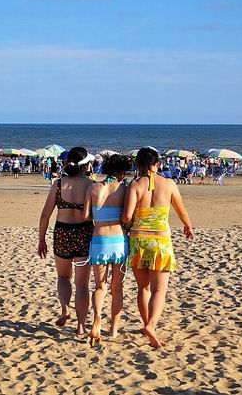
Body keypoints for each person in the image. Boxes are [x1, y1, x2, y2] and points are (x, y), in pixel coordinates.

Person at [122, 147, 194, 349]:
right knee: (159, 289)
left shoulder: (135, 185)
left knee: (143, 288)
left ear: (138, 164)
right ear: (157, 164)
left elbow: (127, 216)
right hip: (161, 241)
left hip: (139, 241)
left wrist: (125, 223)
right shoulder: (169, 184)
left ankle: (146, 323)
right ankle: (151, 325)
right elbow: (181, 209)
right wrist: (188, 226)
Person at [38, 147, 95, 338]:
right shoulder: (91, 185)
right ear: (85, 165)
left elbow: (45, 215)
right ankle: (81, 326)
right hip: (84, 233)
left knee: (63, 277)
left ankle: (65, 309)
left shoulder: (59, 184)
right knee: (82, 285)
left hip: (62, 232)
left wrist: (41, 239)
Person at [84, 154, 131, 345]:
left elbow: (86, 216)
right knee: (117, 288)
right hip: (119, 240)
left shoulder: (93, 188)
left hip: (99, 239)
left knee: (100, 286)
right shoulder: (124, 189)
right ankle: (113, 330)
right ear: (121, 171)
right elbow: (128, 216)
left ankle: (97, 317)